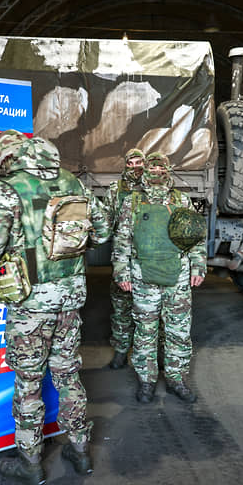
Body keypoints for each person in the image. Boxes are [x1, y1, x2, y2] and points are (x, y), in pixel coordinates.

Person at [0, 131, 110, 485]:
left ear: (17, 157)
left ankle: (30, 461)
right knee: (68, 375)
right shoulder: (72, 182)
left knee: (29, 382)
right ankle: (80, 451)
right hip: (70, 298)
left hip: (31, 305)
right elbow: (103, 231)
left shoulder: (9, 189)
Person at [112, 152, 206, 404]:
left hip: (178, 277)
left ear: (168, 170)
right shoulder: (132, 202)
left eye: (160, 169)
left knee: (178, 330)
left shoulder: (181, 200)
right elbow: (122, 240)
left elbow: (195, 237)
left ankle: (176, 378)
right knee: (145, 331)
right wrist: (122, 271)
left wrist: (198, 266)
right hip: (143, 277)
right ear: (146, 173)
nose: (155, 174)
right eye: (151, 170)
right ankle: (147, 381)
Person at [104, 148, 145, 369]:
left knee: (149, 311)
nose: (136, 167)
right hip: (123, 256)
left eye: (140, 162)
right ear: (125, 165)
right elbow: (106, 221)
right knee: (121, 308)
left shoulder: (154, 189)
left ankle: (147, 355)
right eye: (132, 163)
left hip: (147, 259)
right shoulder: (114, 190)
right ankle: (120, 351)